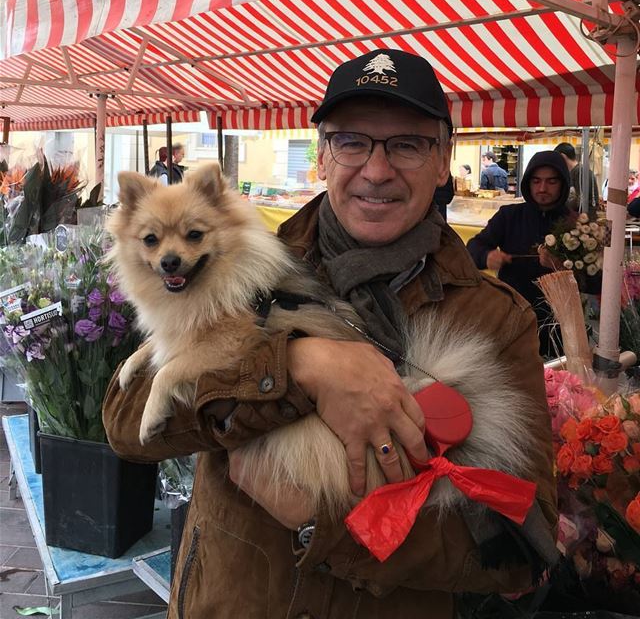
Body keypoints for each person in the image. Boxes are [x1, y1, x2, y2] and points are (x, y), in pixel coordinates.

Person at [103, 49, 557, 618]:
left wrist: (327, 525)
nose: (376, 169)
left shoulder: (498, 321)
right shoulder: (238, 266)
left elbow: (524, 546)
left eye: (407, 144)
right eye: (352, 142)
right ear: (322, 155)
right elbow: (126, 425)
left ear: (444, 160)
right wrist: (298, 368)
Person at [467, 150, 571, 358]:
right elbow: (473, 248)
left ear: (563, 184)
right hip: (511, 316)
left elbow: (594, 279)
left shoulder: (575, 224)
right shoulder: (509, 216)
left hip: (558, 323)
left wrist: (562, 266)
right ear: (528, 183)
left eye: (551, 182)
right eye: (536, 181)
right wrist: (486, 256)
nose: (542, 188)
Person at [553, 142, 598, 214]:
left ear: (563, 157)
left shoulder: (580, 171)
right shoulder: (575, 171)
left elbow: (580, 200)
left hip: (584, 218)